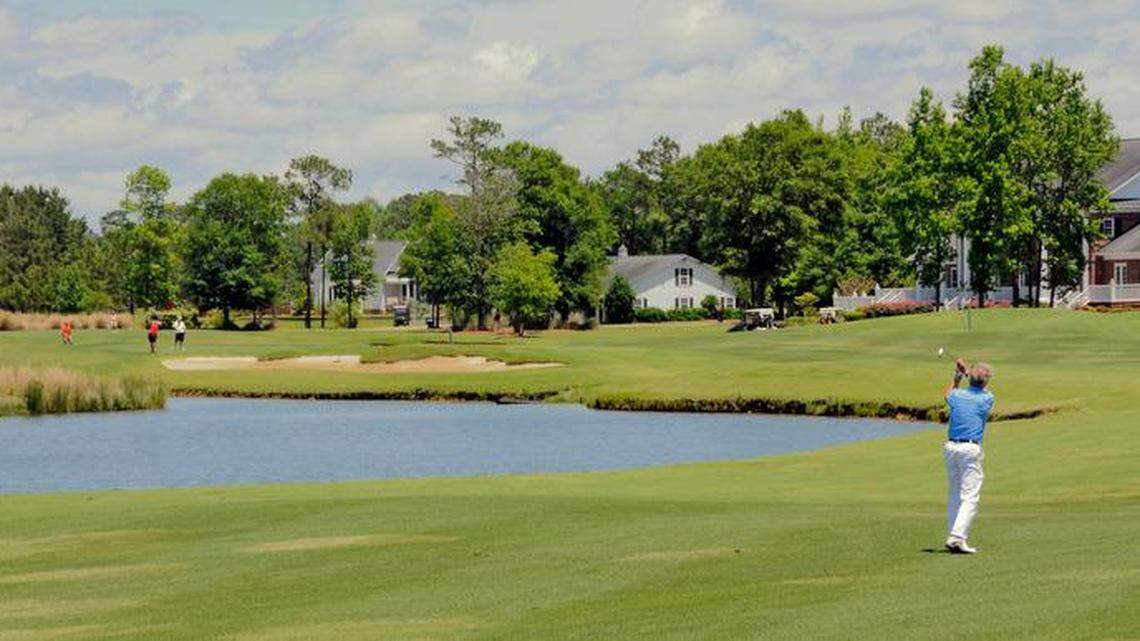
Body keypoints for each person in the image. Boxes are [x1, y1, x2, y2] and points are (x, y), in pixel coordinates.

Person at [942, 358, 995, 554]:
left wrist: (958, 375)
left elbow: (948, 394)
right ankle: (957, 537)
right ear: (986, 381)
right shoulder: (986, 398)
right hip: (970, 450)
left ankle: (953, 535)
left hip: (951, 448)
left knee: (955, 494)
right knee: (970, 496)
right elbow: (982, 388)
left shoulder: (957, 396)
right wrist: (966, 374)